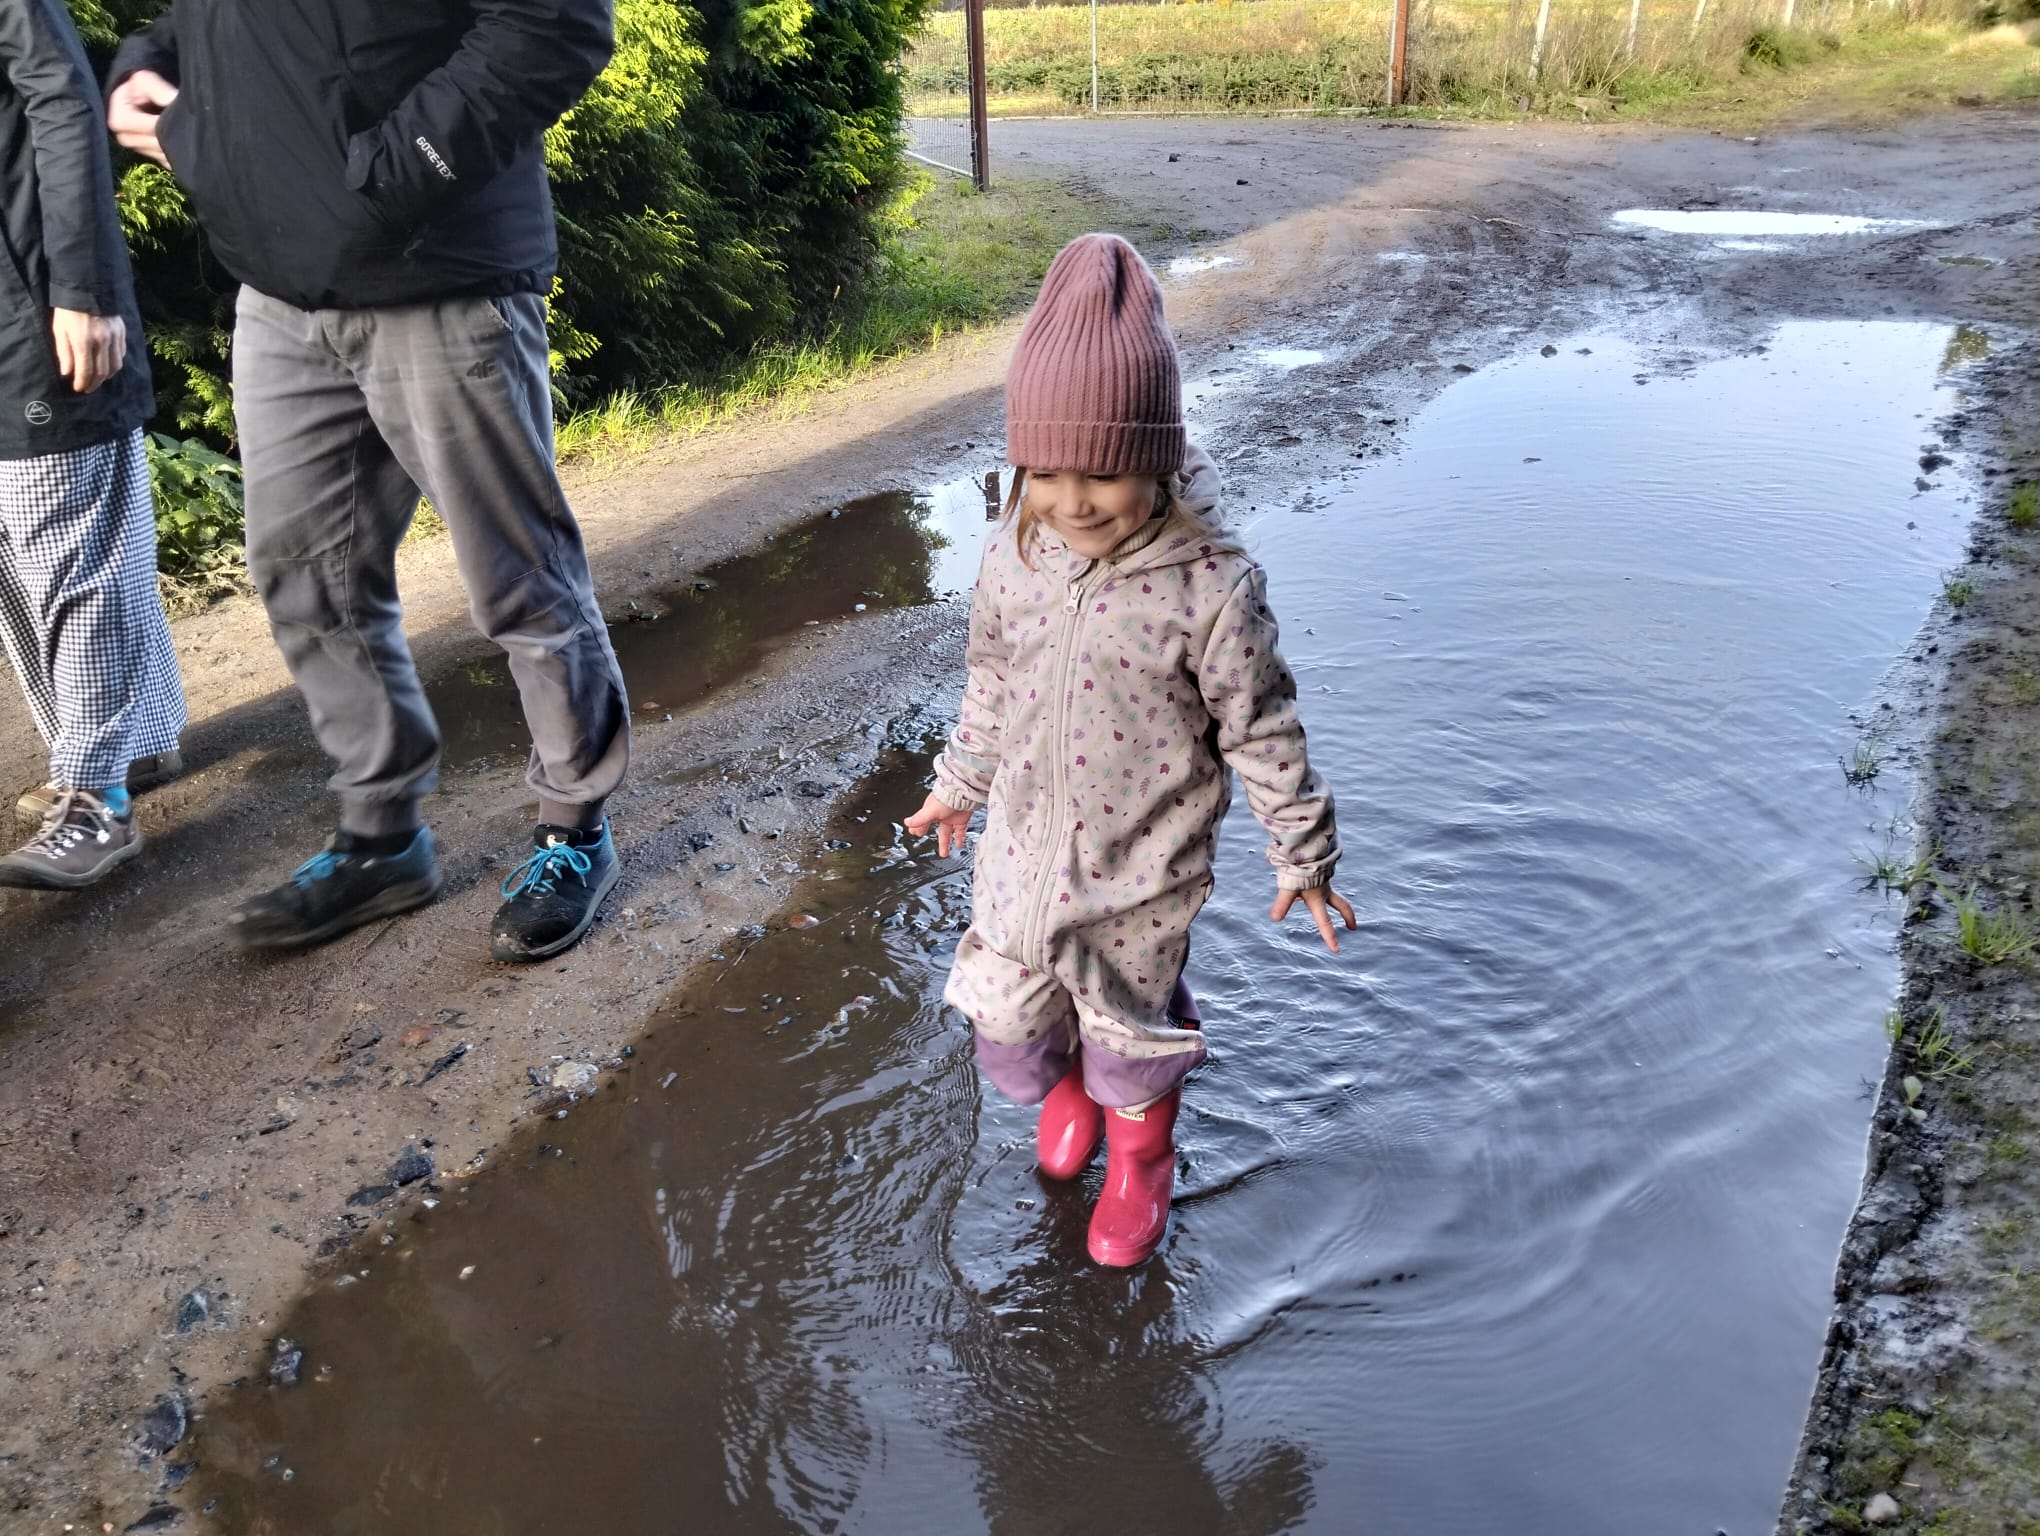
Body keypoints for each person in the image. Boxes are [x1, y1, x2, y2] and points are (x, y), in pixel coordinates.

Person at [104, 0, 631, 961]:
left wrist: (391, 174)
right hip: (279, 289)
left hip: (443, 272)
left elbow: (554, 23)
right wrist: (148, 63)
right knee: (307, 577)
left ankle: (574, 826)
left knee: (519, 577)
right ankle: (383, 838)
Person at [905, 233, 1357, 1268]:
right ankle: (1067, 1088)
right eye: (1046, 472)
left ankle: (1142, 1155)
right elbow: (991, 679)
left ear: (1156, 458)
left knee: (1129, 1032)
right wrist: (959, 782)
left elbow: (1262, 727)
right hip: (1023, 857)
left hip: (1139, 872)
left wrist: (1303, 852)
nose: (1073, 502)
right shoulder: (1015, 553)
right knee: (1011, 1027)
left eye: (1105, 473)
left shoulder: (1210, 588)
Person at [0, 0, 186, 892]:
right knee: (17, 563)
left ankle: (95, 791)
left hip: (35, 310)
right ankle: (128, 743)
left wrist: (82, 287)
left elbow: (66, 102)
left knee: (74, 551)